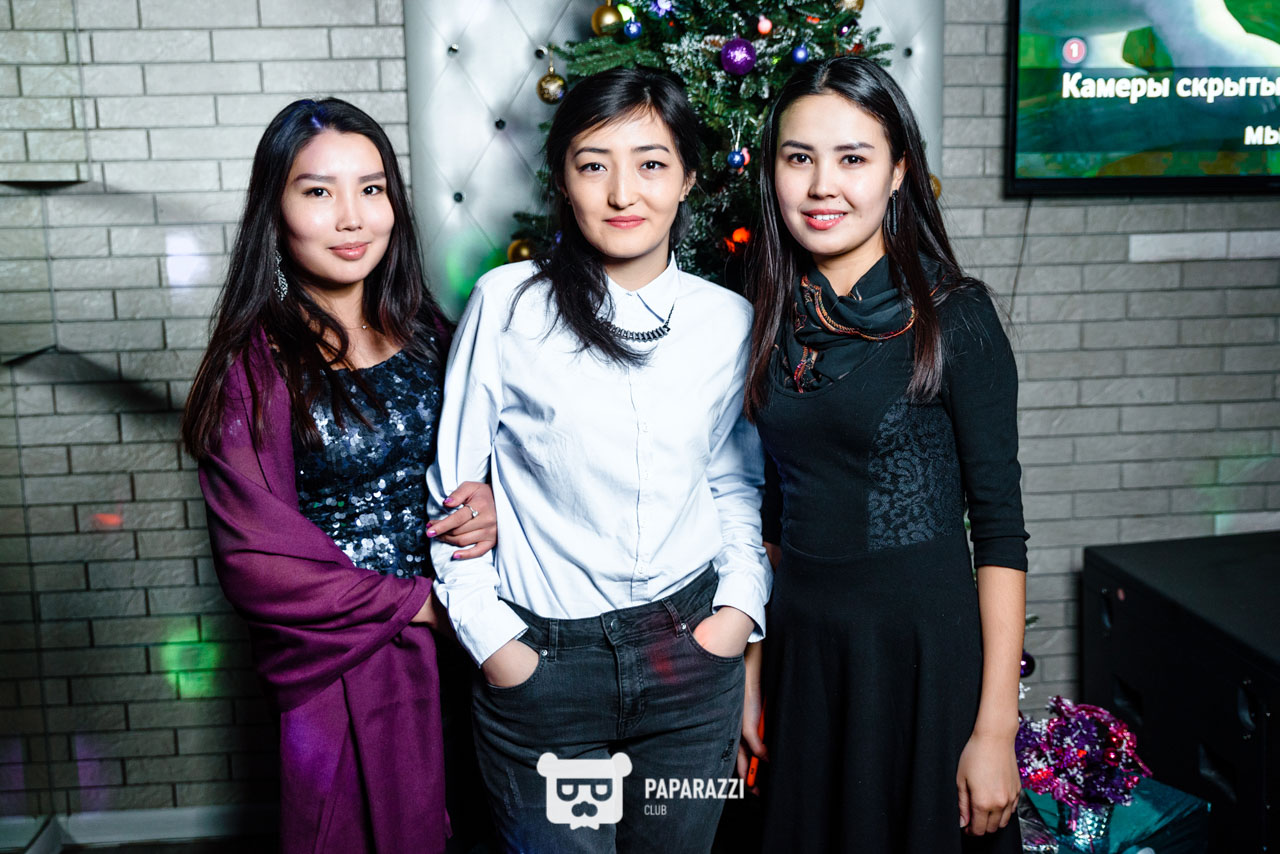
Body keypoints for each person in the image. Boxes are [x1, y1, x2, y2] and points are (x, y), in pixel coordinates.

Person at [426, 67, 772, 853]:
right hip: (544, 671)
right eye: (593, 165)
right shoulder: (508, 304)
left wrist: (737, 614)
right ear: (563, 180)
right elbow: (455, 491)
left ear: (688, 177)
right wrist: (496, 646)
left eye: (651, 163)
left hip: (693, 664)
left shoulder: (728, 320)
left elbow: (733, 483)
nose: (623, 193)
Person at [182, 97, 497, 854]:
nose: (352, 217)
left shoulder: (431, 332)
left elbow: (503, 458)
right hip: (355, 667)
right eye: (319, 191)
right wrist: (420, 606)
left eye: (372, 188)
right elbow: (257, 562)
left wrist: (491, 500)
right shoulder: (253, 370)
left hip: (477, 643)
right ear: (276, 210)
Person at [735, 57, 1028, 853]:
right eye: (800, 158)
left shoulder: (954, 317)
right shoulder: (769, 312)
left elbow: (1000, 531)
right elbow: (769, 509)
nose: (822, 186)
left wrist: (995, 729)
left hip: (919, 667)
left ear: (899, 172)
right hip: (805, 661)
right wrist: (754, 671)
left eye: (853, 158)